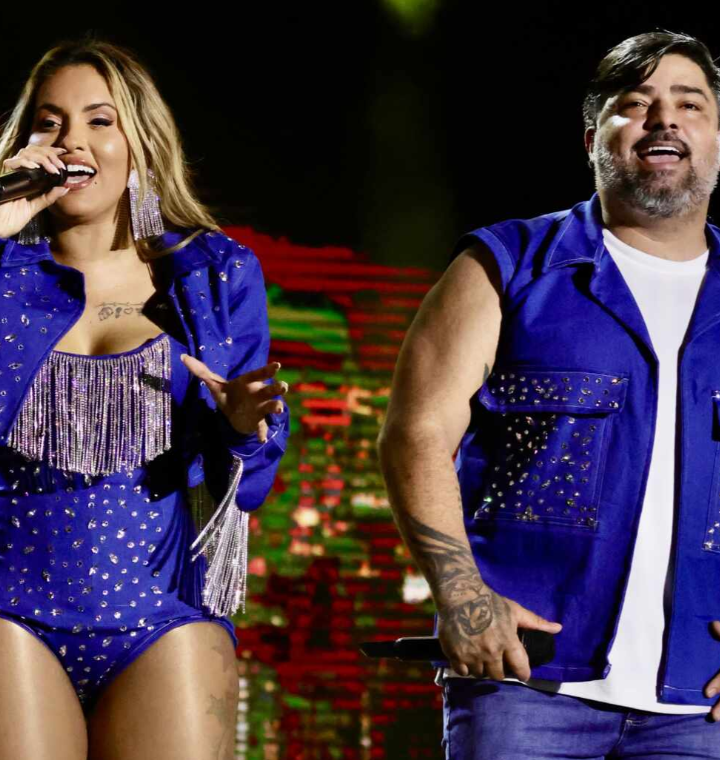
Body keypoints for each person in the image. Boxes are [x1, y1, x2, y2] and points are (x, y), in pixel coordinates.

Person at [378, 30, 720, 760]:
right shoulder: (505, 264)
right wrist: (460, 597)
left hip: (701, 708)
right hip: (525, 684)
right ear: (593, 139)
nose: (665, 118)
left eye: (690, 103)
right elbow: (417, 433)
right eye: (637, 103)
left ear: (716, 137)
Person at [0, 38, 289, 760]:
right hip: (8, 614)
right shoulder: (2, 267)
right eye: (49, 122)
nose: (71, 141)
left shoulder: (213, 274)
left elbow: (253, 487)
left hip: (163, 617)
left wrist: (241, 429)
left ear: (141, 141)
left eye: (100, 120)